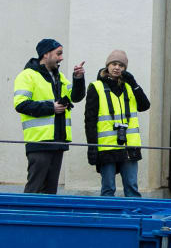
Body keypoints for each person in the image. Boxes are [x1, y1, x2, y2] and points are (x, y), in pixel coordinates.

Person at [12, 38, 85, 194]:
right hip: (39, 141)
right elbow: (21, 104)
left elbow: (75, 97)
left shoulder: (60, 77)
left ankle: (43, 211)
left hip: (58, 140)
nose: (61, 58)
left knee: (50, 191)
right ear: (45, 54)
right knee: (35, 188)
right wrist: (51, 107)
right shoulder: (27, 76)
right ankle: (26, 211)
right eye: (58, 54)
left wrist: (78, 78)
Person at [84, 49, 150, 197]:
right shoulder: (96, 87)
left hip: (129, 146)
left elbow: (145, 106)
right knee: (108, 188)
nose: (117, 67)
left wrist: (134, 83)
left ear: (125, 69)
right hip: (107, 146)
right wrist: (92, 147)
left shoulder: (129, 86)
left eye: (121, 65)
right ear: (107, 65)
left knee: (132, 187)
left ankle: (133, 212)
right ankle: (107, 212)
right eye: (114, 64)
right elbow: (90, 120)